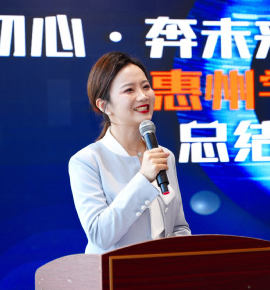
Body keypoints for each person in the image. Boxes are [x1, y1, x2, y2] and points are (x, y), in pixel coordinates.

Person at [69, 52, 191, 254]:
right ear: (104, 105)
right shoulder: (87, 161)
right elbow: (100, 236)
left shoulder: (164, 156)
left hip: (160, 272)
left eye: (146, 86)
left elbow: (178, 227)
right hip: (112, 272)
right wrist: (144, 178)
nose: (143, 96)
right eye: (129, 90)